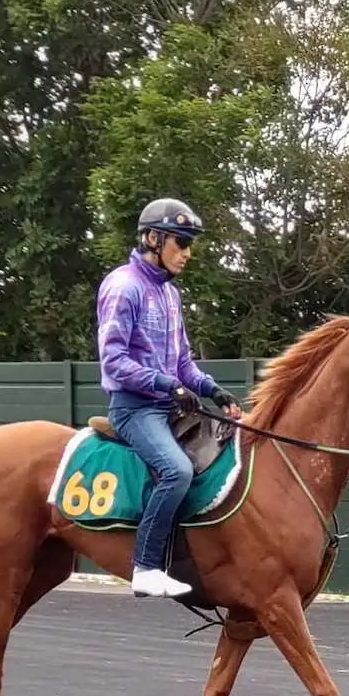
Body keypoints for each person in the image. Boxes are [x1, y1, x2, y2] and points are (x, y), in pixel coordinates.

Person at [95, 197, 243, 598]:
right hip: (134, 409)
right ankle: (145, 566)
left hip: (169, 405)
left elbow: (183, 365)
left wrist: (212, 389)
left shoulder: (170, 295)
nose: (188, 253)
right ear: (153, 239)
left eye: (190, 243)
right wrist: (166, 386)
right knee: (177, 471)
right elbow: (113, 362)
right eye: (181, 242)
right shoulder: (124, 287)